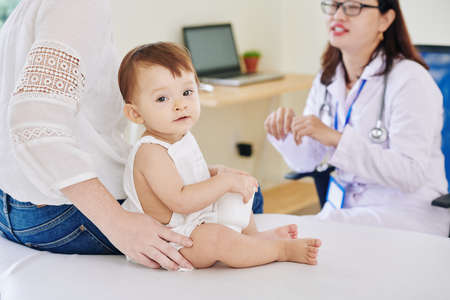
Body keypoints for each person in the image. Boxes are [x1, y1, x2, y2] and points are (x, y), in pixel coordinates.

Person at [0, 0, 198, 271]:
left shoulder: (22, 14)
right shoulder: (78, 6)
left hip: (11, 211)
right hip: (59, 212)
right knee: (246, 197)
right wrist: (118, 223)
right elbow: (32, 120)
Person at [118, 42, 321, 269]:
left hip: (194, 219)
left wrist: (216, 173)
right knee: (218, 238)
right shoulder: (151, 152)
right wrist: (222, 181)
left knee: (238, 190)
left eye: (187, 92)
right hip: (173, 239)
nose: (180, 105)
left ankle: (253, 238)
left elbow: (184, 173)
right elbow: (180, 200)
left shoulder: (179, 135)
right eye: (162, 99)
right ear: (136, 113)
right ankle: (280, 250)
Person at [264, 0, 449, 236]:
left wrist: (336, 139)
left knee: (297, 239)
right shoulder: (328, 77)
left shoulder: (411, 80)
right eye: (334, 5)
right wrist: (286, 134)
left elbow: (410, 174)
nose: (338, 15)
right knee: (283, 237)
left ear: (385, 19)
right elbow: (307, 162)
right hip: (349, 210)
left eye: (353, 7)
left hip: (406, 214)